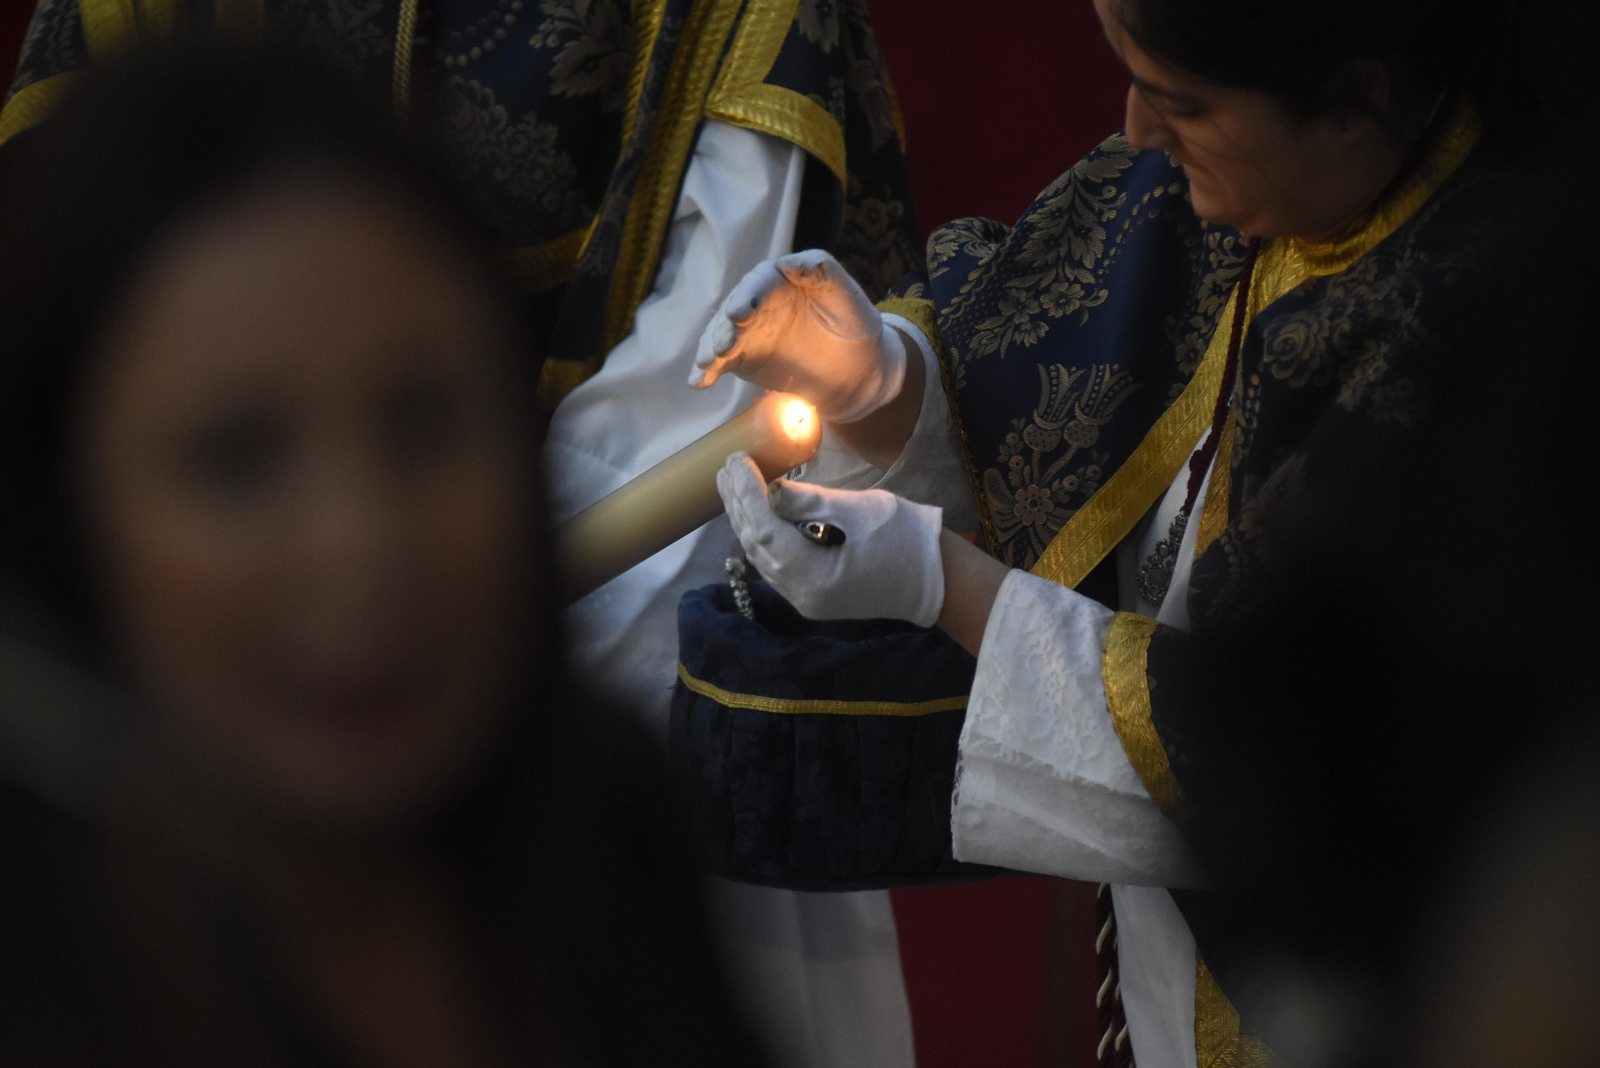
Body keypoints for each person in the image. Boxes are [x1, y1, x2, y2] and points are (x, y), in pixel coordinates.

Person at [0, 3, 927, 1062]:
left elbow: (708, 384)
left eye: (425, 422)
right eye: (237, 459)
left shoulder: (616, 850)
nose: (363, 552)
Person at [685, 0, 1600, 1065]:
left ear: (1358, 100)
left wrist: (945, 584)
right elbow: (1031, 429)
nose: (1132, 132)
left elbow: (1290, 762)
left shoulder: (1510, 353)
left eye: (1177, 101)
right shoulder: (1198, 188)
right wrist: (877, 383)